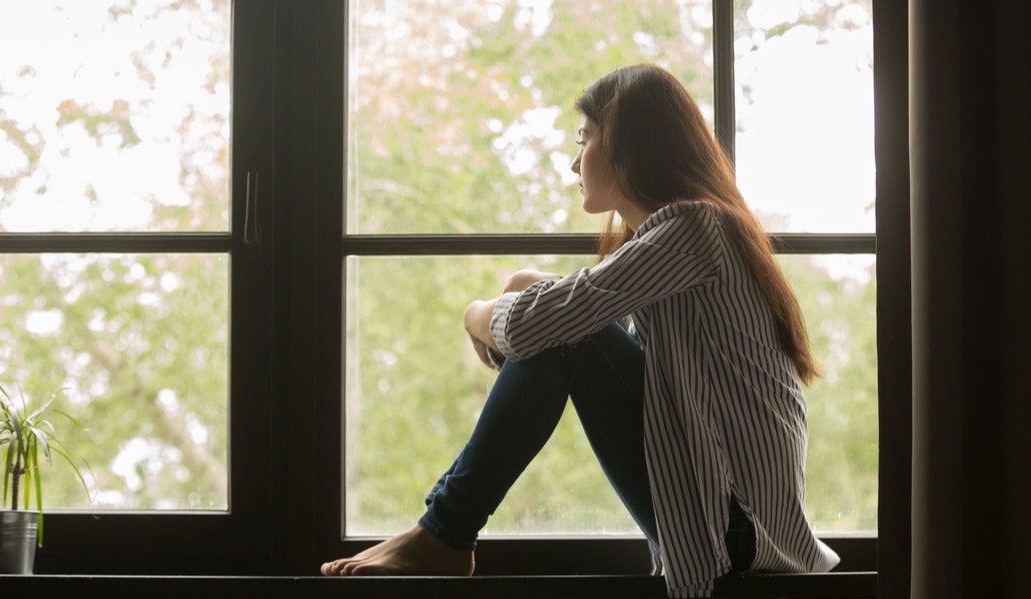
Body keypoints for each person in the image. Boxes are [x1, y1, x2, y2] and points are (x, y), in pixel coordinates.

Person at [321, 63, 840, 597]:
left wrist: (476, 312)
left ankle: (445, 534)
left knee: (565, 331)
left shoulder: (694, 227)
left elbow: (544, 326)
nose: (574, 162)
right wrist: (524, 286)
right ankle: (441, 533)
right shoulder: (692, 238)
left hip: (734, 534)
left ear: (627, 144)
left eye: (585, 139)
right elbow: (582, 319)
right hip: (725, 527)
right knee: (560, 323)